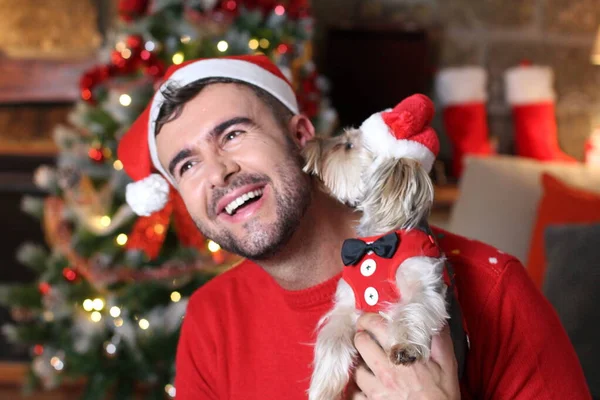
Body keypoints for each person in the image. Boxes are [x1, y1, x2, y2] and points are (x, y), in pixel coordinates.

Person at [116, 55, 591, 399]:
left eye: (234, 134)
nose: (218, 172)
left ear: (301, 136)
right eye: (187, 165)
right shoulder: (211, 321)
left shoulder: (493, 289)